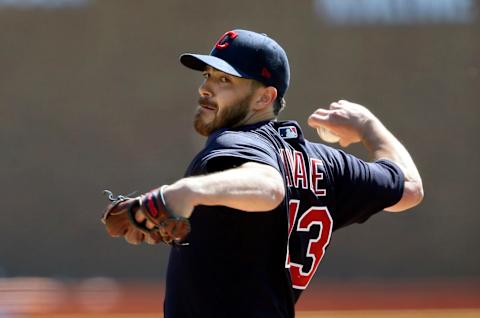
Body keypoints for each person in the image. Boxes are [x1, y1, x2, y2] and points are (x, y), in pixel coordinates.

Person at [110, 29, 424, 317]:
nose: (205, 88)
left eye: (225, 80)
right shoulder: (325, 163)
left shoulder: (236, 140)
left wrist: (181, 194)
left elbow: (268, 186)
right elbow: (409, 189)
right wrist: (368, 126)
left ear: (264, 97)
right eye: (208, 74)